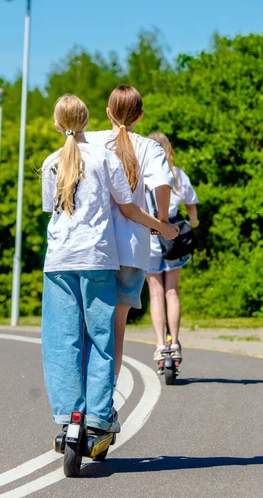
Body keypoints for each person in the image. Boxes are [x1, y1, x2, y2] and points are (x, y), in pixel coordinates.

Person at [40, 94, 177, 436]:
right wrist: (162, 225)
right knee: (104, 337)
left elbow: (52, 209)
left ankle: (70, 414)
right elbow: (133, 204)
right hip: (106, 255)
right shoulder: (112, 155)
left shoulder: (54, 160)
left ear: (57, 125)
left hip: (60, 259)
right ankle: (100, 414)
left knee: (64, 340)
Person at [87, 85, 175, 385]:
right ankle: (107, 394)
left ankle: (87, 389)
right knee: (117, 328)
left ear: (108, 112)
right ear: (140, 115)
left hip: (94, 247)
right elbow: (162, 184)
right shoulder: (149, 147)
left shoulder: (92, 141)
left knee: (90, 325)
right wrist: (162, 221)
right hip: (132, 248)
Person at [145, 132, 200, 363]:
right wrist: (194, 223)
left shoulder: (142, 176)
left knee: (155, 293)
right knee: (172, 291)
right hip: (173, 237)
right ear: (169, 149)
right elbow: (191, 205)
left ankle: (160, 345)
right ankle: (174, 343)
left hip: (149, 240)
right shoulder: (177, 175)